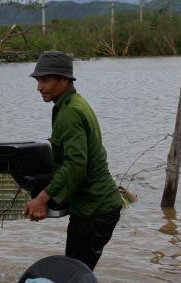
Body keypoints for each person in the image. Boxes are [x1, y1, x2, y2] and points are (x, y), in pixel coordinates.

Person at [23, 51, 122, 271]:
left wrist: (41, 199)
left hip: (95, 209)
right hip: (91, 207)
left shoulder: (70, 113)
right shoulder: (72, 104)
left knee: (74, 275)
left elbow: (76, 165)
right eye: (38, 81)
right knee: (76, 271)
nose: (39, 87)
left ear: (65, 80)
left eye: (45, 80)